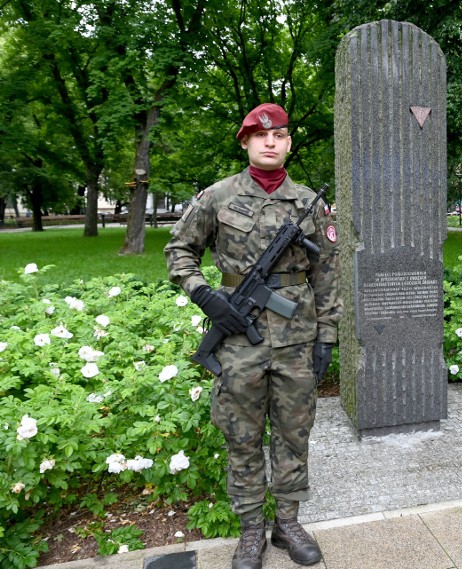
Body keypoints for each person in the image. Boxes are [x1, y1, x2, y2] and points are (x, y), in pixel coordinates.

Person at [165, 103, 341, 567]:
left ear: (287, 143)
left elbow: (327, 273)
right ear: (245, 142)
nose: (270, 142)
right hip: (238, 340)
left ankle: (287, 523)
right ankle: (249, 532)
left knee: (293, 434)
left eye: (279, 136)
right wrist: (204, 294)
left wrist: (327, 336)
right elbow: (179, 251)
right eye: (260, 136)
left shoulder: (309, 203)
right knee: (242, 436)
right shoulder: (218, 197)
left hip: (297, 339)